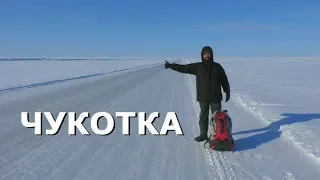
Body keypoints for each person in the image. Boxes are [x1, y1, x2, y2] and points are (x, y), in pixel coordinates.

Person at [164, 46, 231, 142]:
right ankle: (203, 134)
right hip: (203, 97)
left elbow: (224, 80)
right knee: (203, 116)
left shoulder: (217, 67)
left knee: (217, 117)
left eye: (208, 54)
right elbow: (184, 68)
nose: (207, 56)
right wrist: (171, 66)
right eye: (205, 54)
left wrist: (227, 91)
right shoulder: (198, 67)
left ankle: (218, 135)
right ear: (202, 55)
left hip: (216, 97)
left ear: (211, 55)